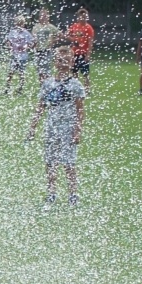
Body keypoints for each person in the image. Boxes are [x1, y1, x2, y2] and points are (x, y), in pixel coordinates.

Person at [27, 45, 87, 208]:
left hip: (68, 128)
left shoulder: (76, 85)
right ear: (55, 62)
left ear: (72, 62)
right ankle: (52, 192)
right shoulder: (48, 84)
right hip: (51, 128)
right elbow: (40, 107)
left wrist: (78, 130)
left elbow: (80, 110)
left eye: (66, 61)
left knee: (69, 163)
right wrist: (33, 127)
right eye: (60, 60)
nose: (63, 64)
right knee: (50, 161)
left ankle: (73, 193)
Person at [4, 15, 34, 95]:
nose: (20, 25)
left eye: (21, 23)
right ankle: (7, 88)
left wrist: (26, 48)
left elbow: (32, 43)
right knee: (11, 72)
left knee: (21, 73)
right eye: (18, 23)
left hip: (23, 56)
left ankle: (20, 88)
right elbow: (8, 41)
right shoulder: (12, 32)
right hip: (14, 55)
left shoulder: (26, 33)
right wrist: (10, 47)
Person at [65, 8, 95, 86]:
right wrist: (73, 39)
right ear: (78, 17)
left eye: (85, 17)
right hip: (74, 52)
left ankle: (87, 88)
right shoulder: (74, 26)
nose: (83, 19)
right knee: (74, 72)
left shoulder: (89, 28)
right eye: (81, 17)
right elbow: (66, 35)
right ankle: (76, 87)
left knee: (85, 73)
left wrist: (88, 55)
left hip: (83, 53)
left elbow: (90, 42)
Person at [32, 8, 59, 81]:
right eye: (42, 15)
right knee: (39, 70)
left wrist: (53, 41)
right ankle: (42, 86)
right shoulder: (36, 27)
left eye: (45, 15)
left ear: (48, 16)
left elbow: (58, 36)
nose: (43, 17)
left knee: (47, 69)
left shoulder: (51, 27)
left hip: (47, 50)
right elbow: (33, 38)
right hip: (38, 50)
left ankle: (48, 84)